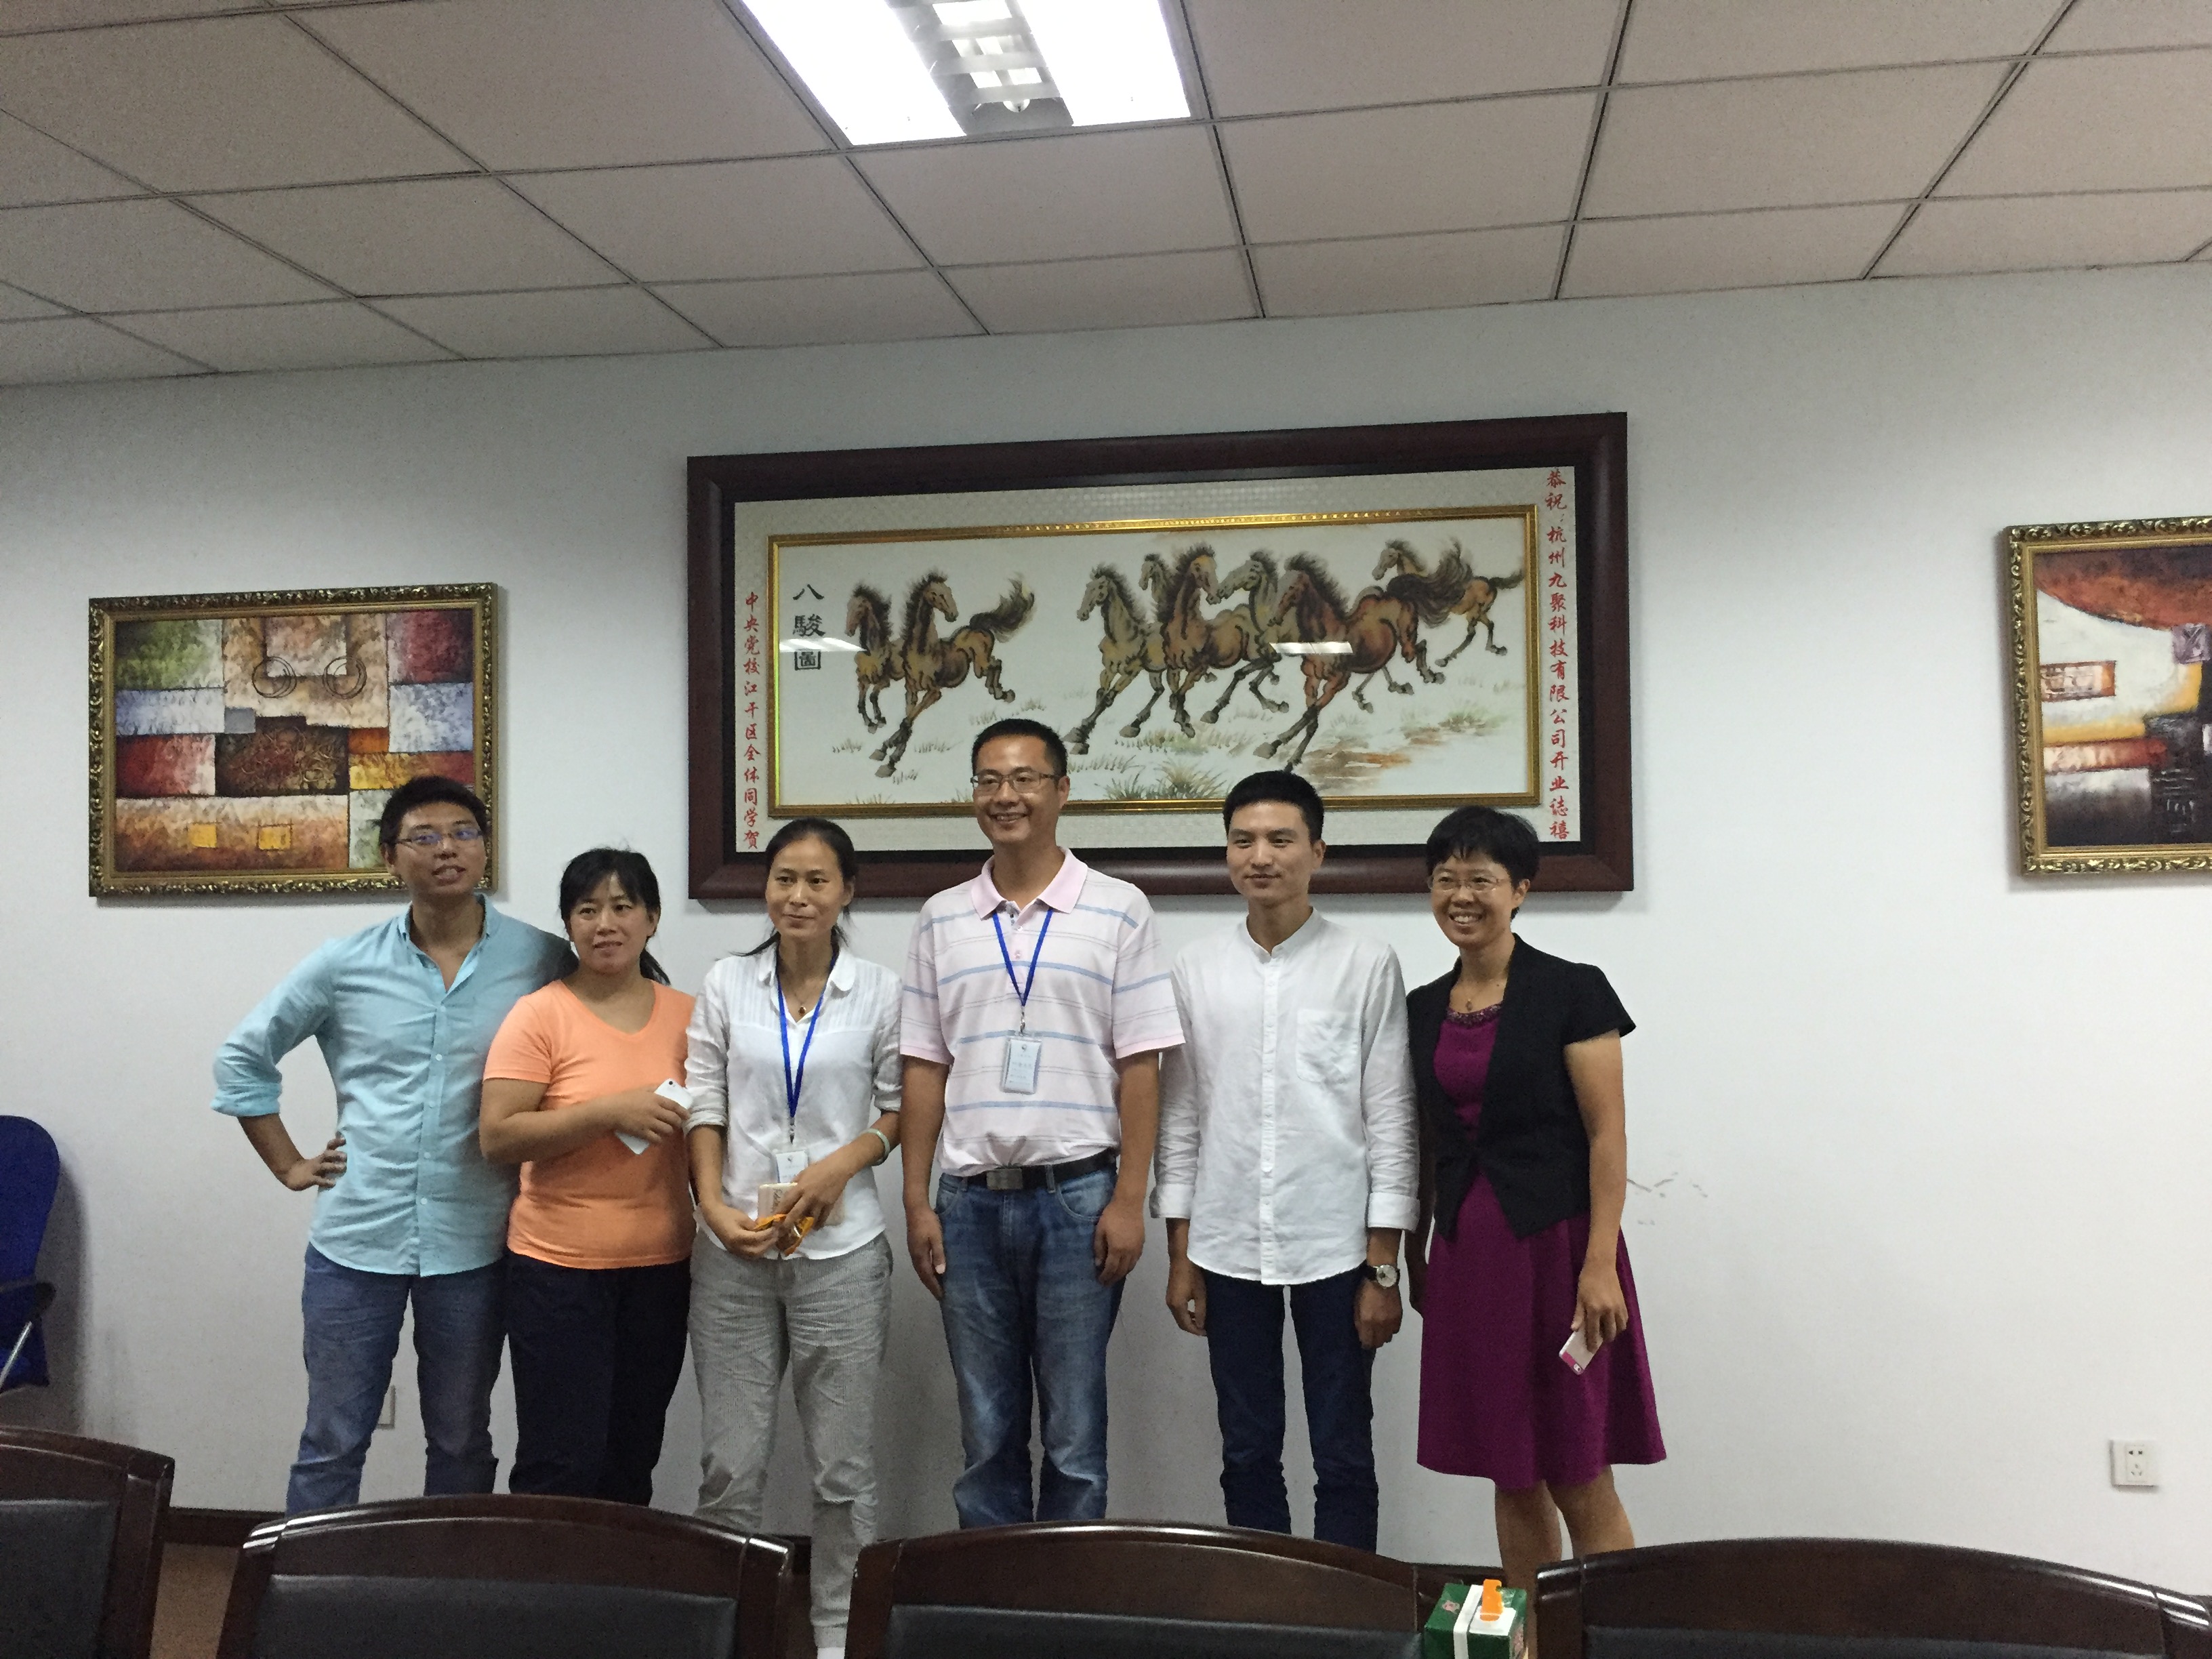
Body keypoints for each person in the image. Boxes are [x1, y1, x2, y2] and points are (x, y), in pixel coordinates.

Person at [212, 777, 571, 1513]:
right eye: (424, 836)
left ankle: (446, 1578)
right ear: (389, 856)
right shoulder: (344, 964)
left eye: (464, 833)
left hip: (476, 1243)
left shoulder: (541, 959)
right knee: (333, 1437)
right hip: (355, 1240)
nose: (448, 850)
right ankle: (310, 1580)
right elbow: (242, 1057)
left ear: (486, 848)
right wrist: (288, 1164)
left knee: (462, 1438)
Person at [900, 717, 1182, 1528]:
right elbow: (924, 1067)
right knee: (986, 1432)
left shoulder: (1119, 909)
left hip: (1078, 1199)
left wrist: (1129, 1199)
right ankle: (997, 1593)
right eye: (989, 780)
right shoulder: (942, 917)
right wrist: (917, 1201)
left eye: (1025, 779)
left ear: (1061, 791)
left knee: (1074, 1435)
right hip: (968, 1202)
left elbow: (1142, 1066)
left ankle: (1068, 1592)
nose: (1006, 796)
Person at [1406, 806, 1664, 1609]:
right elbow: (1425, 1142)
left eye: (1481, 879)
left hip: (1560, 1252)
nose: (1462, 896)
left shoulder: (1572, 991)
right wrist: (1414, 1253)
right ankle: (1532, 1640)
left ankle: (1616, 1635)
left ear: (1520, 889)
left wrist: (1599, 1266)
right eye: (1446, 879)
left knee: (1578, 1466)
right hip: (1470, 1256)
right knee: (1510, 1467)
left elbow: (1607, 1136)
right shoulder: (1422, 1007)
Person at [1155, 769, 1417, 1553]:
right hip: (1227, 1244)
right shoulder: (1196, 968)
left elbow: (1391, 1117)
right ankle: (1265, 1604)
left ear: (1317, 852)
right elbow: (1181, 1116)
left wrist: (1384, 1267)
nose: (1260, 856)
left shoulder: (1365, 963)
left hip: (1336, 1246)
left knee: (1344, 1452)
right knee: (1246, 1450)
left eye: (1280, 839)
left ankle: (1346, 1608)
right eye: (1243, 840)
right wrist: (1180, 1253)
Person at [684, 817, 900, 1659]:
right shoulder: (727, 982)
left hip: (841, 1254)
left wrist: (838, 1166)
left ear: (847, 891)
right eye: (784, 879)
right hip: (735, 1252)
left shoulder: (879, 990)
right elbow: (705, 1102)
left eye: (817, 881)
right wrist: (712, 1206)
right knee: (729, 1465)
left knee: (842, 1470)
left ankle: (840, 1633)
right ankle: (728, 1627)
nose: (798, 896)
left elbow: (900, 1109)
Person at [478, 847, 694, 1502]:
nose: (606, 924)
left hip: (661, 1268)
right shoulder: (540, 1014)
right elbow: (498, 1136)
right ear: (568, 924)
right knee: (560, 1459)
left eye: (623, 907)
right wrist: (607, 1112)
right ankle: (547, 1575)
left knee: (633, 1452)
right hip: (558, 1271)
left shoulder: (690, 1015)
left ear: (652, 918)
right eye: (587, 910)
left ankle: (618, 1575)